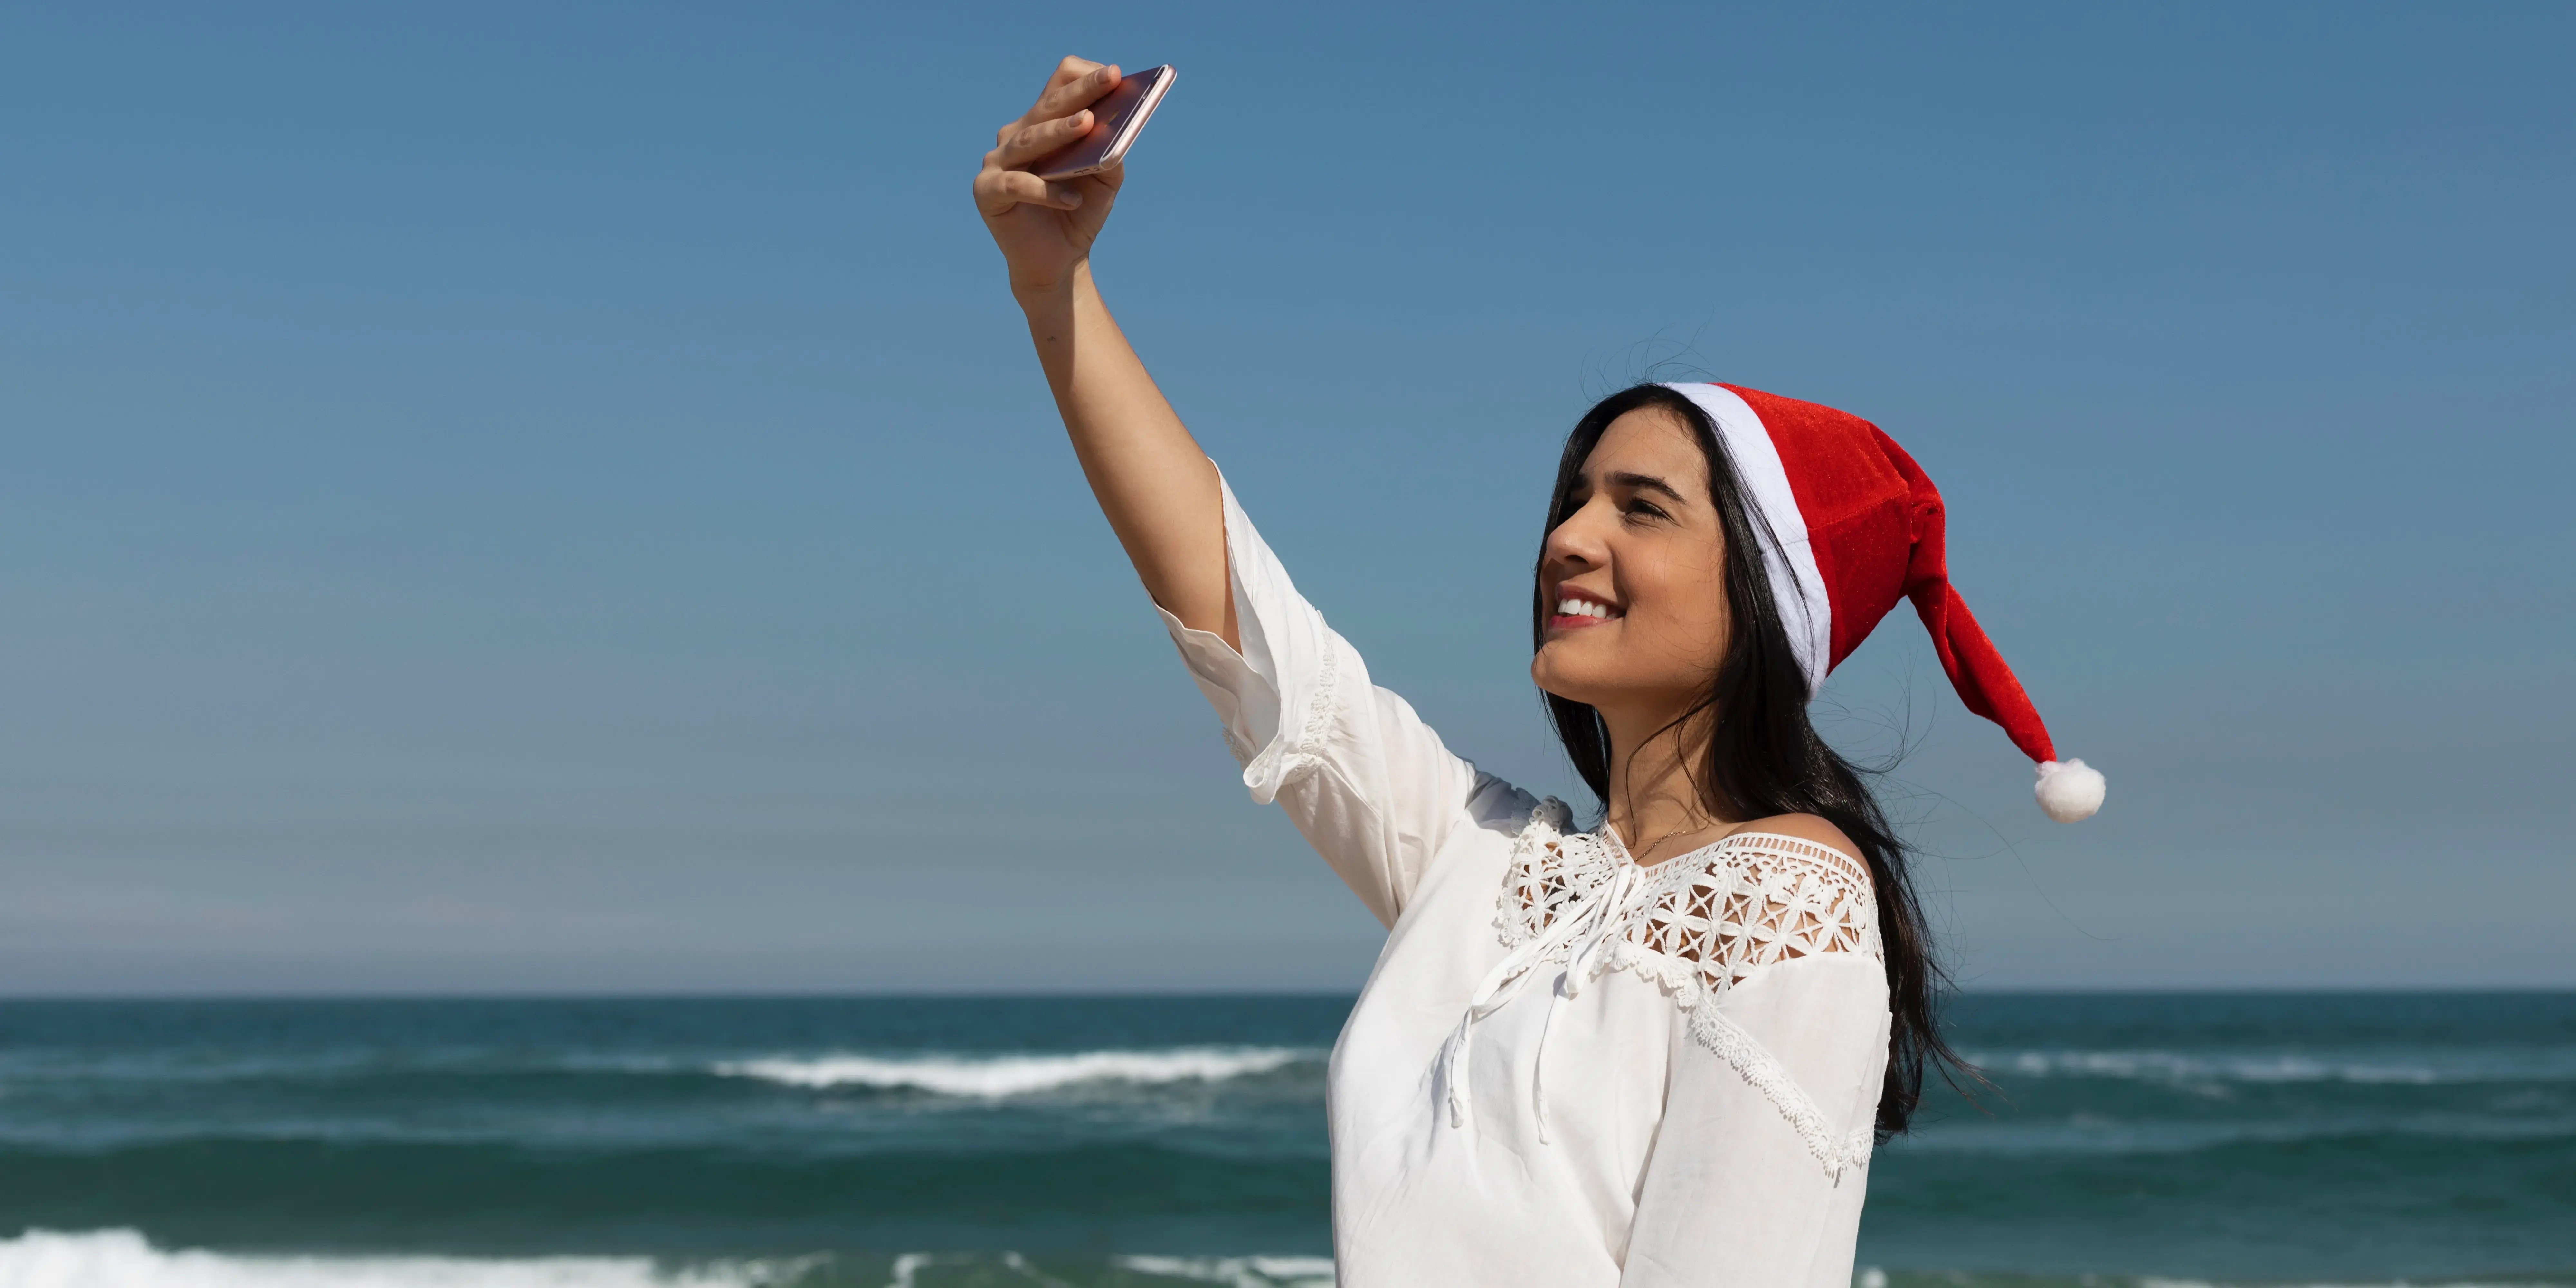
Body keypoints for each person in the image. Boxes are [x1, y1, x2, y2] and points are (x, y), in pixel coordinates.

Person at [973, 57, 2107, 1288]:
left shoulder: (1789, 895)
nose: (1571, 538)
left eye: (1645, 509)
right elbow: (1239, 614)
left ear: (1769, 604)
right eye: (1573, 501)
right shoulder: (1486, 861)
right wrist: (1057, 285)